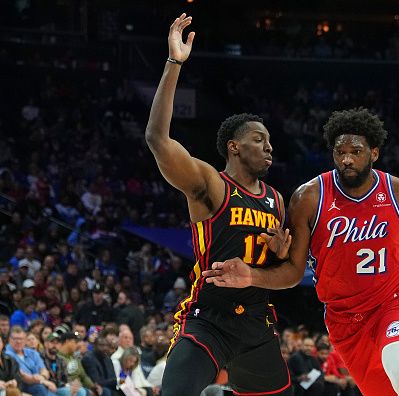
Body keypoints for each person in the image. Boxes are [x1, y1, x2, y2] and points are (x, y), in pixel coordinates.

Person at [204, 107, 399, 395]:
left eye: (355, 152)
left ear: (374, 153)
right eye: (339, 152)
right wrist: (254, 275)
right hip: (344, 321)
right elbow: (293, 273)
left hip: (394, 301)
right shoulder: (309, 198)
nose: (346, 159)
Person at [145, 13, 291, 396]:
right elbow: (158, 140)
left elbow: (282, 271)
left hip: (256, 322)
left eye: (270, 141)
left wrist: (277, 253)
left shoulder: (276, 199)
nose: (269, 147)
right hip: (208, 317)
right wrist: (174, 63)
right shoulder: (211, 184)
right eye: (259, 139)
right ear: (234, 146)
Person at [5, 326, 55, 396]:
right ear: (9, 339)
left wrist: (43, 377)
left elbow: (44, 370)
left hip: (39, 383)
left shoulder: (32, 353)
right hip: (19, 386)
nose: (18, 341)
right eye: (15, 339)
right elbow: (23, 376)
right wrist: (42, 381)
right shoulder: (7, 355)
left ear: (25, 340)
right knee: (40, 388)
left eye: (21, 339)